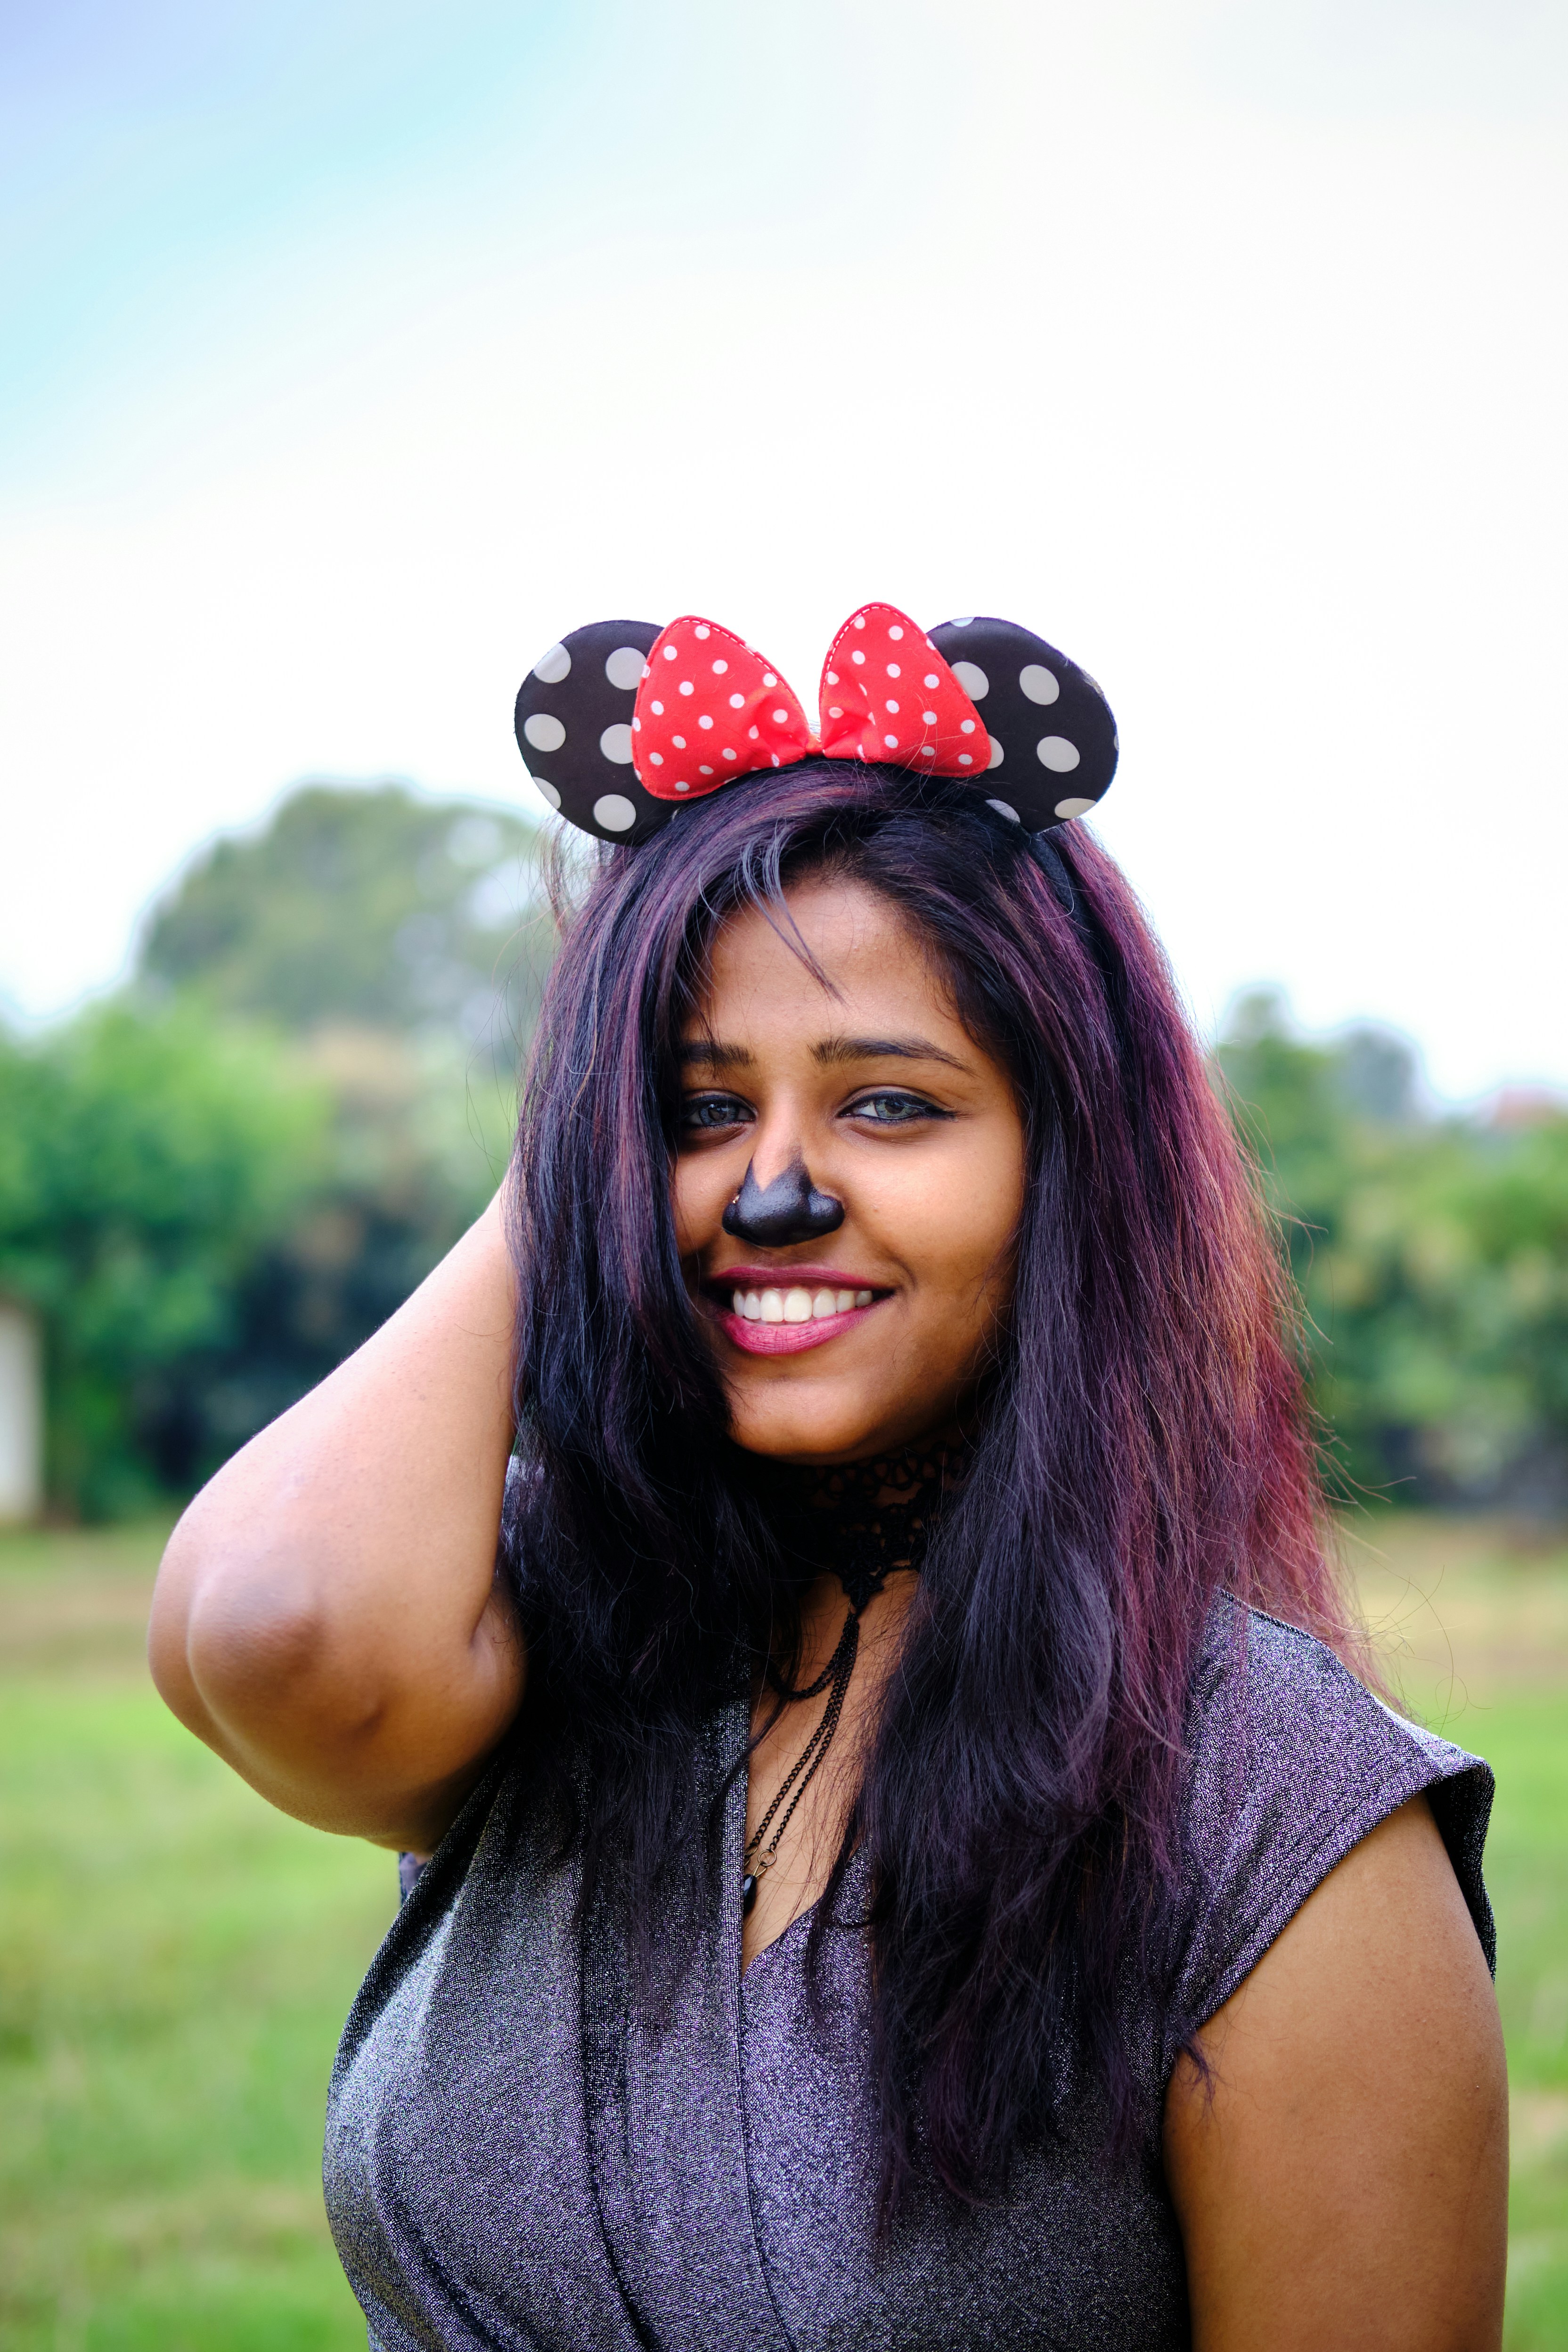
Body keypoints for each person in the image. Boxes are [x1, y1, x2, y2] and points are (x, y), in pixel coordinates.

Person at [149, 604, 1507, 2352]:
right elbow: (277, 1632)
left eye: (888, 1105)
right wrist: (584, 1128)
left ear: (1067, 1168)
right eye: (702, 1111)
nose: (770, 1193)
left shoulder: (1269, 1813)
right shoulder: (552, 1642)